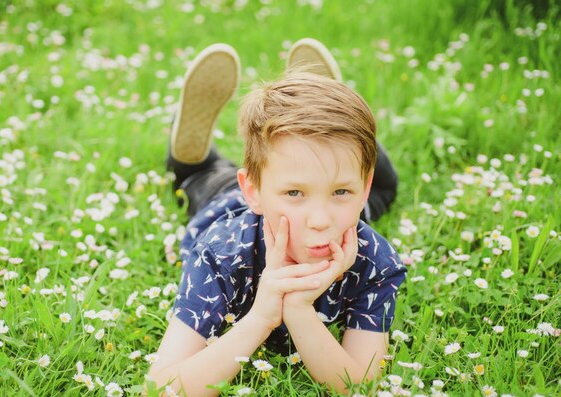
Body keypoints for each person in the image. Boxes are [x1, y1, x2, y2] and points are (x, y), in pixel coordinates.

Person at [148, 38, 406, 396]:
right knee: (201, 179)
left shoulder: (374, 261)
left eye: (341, 191)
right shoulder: (222, 255)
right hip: (226, 202)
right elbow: (161, 390)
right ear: (253, 191)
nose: (319, 219)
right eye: (295, 194)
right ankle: (190, 160)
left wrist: (299, 309)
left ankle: (335, 119)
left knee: (381, 190)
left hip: (325, 189)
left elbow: (360, 386)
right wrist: (261, 317)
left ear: (359, 188)